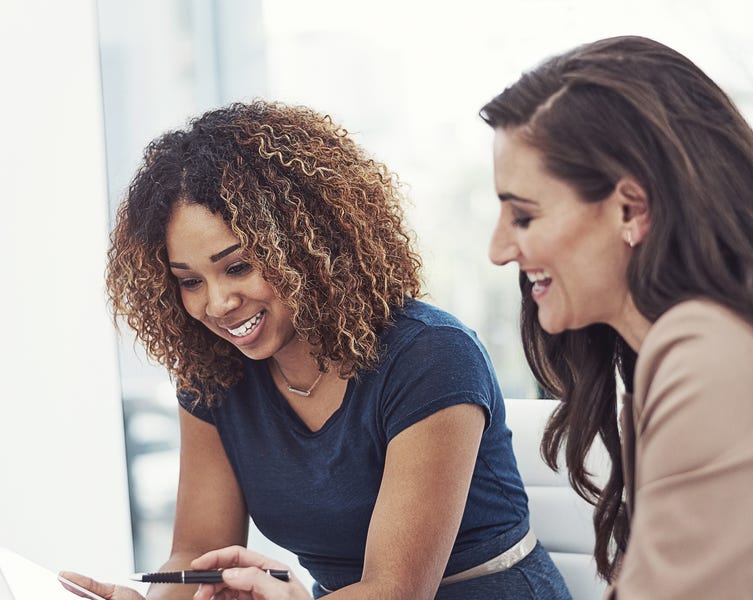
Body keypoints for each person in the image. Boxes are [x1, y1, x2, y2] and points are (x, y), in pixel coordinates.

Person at [60, 101, 571, 600]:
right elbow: (198, 554)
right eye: (190, 281)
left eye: (238, 267)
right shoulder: (212, 376)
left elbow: (396, 590)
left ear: (309, 248)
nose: (217, 303)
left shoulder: (431, 356)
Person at [482, 34, 753, 599]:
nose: (500, 249)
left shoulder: (709, 357)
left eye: (524, 216)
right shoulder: (692, 346)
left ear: (632, 208)